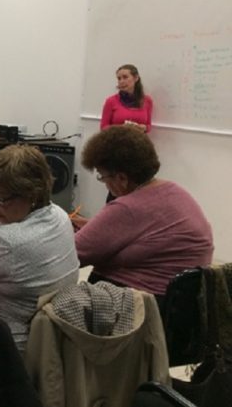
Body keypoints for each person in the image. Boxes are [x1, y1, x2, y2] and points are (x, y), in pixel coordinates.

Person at [0, 145, 79, 352]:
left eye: (1, 198)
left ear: (31, 195)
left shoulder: (8, 242)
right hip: (50, 340)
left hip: (4, 346)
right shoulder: (59, 215)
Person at [75, 125, 213, 298]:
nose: (104, 184)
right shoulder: (173, 191)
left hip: (146, 304)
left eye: (102, 177)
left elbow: (71, 255)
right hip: (185, 301)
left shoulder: (127, 208)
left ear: (122, 178)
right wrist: (92, 227)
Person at [100, 64, 153, 133]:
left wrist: (145, 128)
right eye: (119, 78)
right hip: (116, 139)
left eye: (125, 77)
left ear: (136, 78)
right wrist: (120, 128)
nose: (121, 81)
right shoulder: (111, 101)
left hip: (138, 139)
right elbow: (103, 127)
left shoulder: (147, 100)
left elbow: (148, 126)